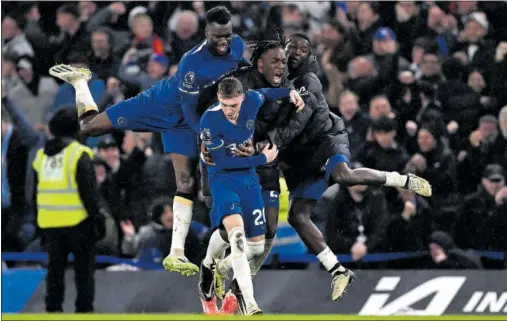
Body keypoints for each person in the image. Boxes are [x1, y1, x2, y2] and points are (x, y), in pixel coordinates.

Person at [48, 6, 247, 276]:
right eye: (217, 37)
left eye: (227, 35)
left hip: (188, 121)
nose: (223, 42)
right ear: (206, 33)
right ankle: (81, 83)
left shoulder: (237, 46)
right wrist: (206, 136)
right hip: (162, 105)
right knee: (89, 127)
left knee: (188, 182)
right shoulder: (192, 61)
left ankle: (179, 253)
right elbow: (188, 110)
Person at [197, 77, 304, 315]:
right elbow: (223, 162)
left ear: (242, 99)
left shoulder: (253, 100)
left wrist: (290, 92)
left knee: (255, 249)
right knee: (236, 237)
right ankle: (249, 304)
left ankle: (214, 267)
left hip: (249, 180)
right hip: (222, 180)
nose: (228, 111)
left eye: (233, 105)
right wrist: (262, 159)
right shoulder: (210, 120)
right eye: (224, 104)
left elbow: (266, 93)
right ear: (218, 99)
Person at [32, 108, 105, 312]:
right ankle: (83, 312)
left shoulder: (40, 157)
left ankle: (53, 312)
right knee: (83, 274)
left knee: (54, 271)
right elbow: (89, 194)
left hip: (50, 223)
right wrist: (97, 220)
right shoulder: (79, 154)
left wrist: (38, 222)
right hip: (79, 223)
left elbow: (34, 194)